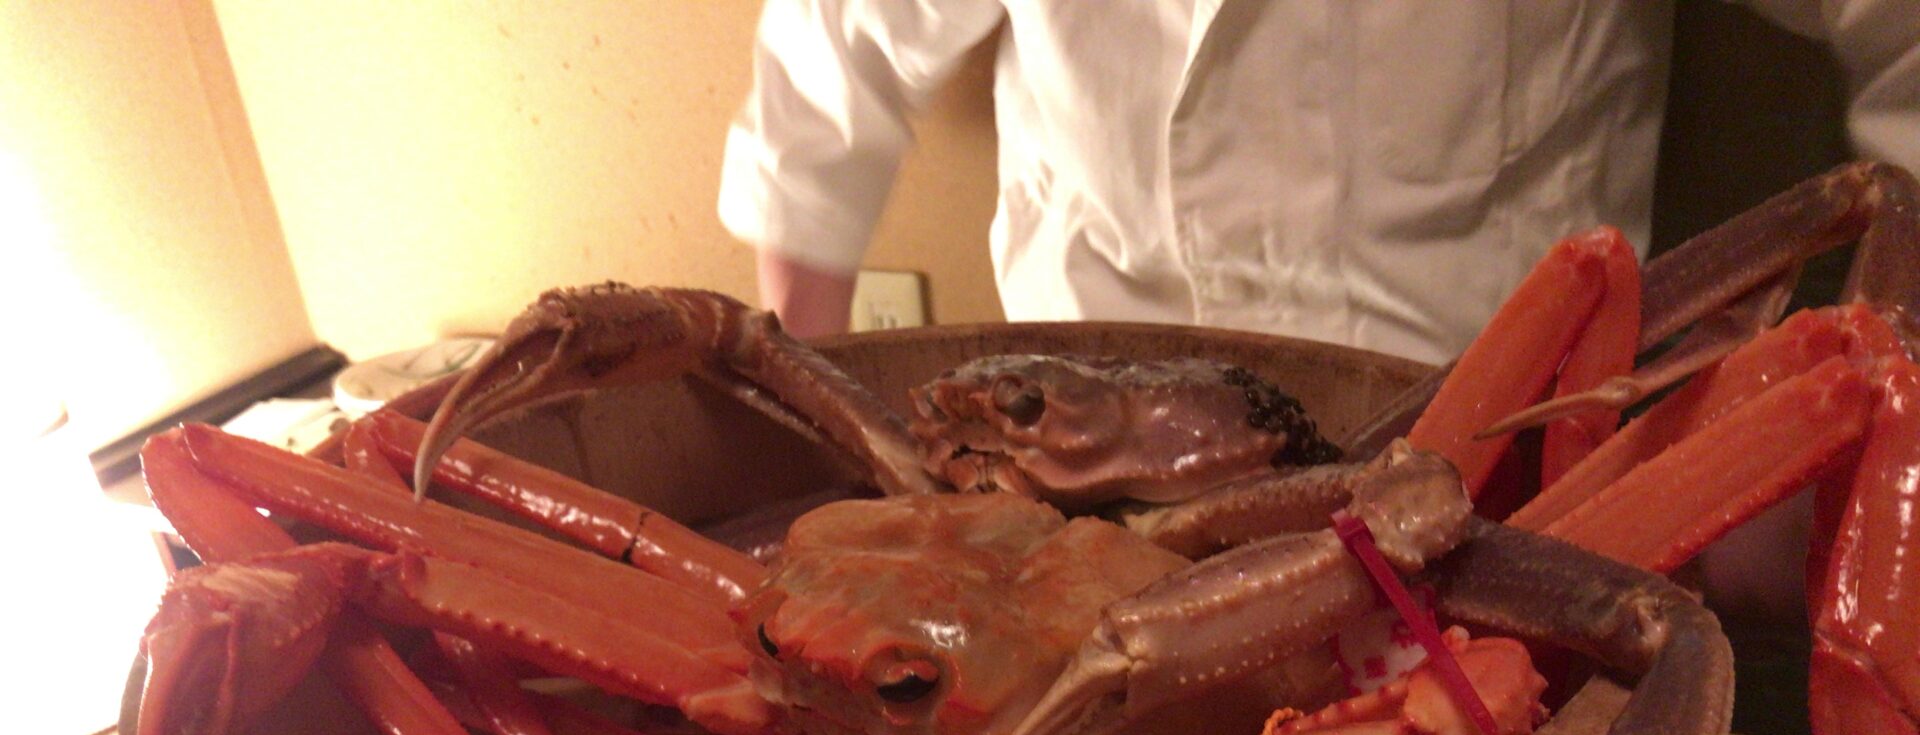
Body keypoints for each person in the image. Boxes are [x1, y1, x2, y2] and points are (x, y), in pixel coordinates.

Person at [717, 1, 1920, 357]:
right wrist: (816, 446)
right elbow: (829, 72)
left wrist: (1866, 429)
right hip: (1070, 466)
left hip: (1494, 481)